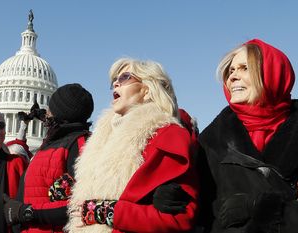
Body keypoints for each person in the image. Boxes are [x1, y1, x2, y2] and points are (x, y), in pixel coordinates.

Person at [197, 39, 298, 233]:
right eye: (231, 71)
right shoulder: (211, 142)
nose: (233, 77)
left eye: (244, 68)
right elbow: (206, 216)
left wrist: (272, 210)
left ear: (272, 73)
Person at [65, 58, 199, 233]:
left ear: (147, 90)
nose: (116, 84)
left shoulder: (168, 136)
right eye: (114, 80)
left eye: (124, 78)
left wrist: (105, 212)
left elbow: (179, 218)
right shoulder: (101, 139)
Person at [3, 83, 94, 233]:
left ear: (60, 111)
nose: (47, 112)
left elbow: (80, 205)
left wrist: (26, 212)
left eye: (51, 108)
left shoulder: (79, 145)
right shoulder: (52, 143)